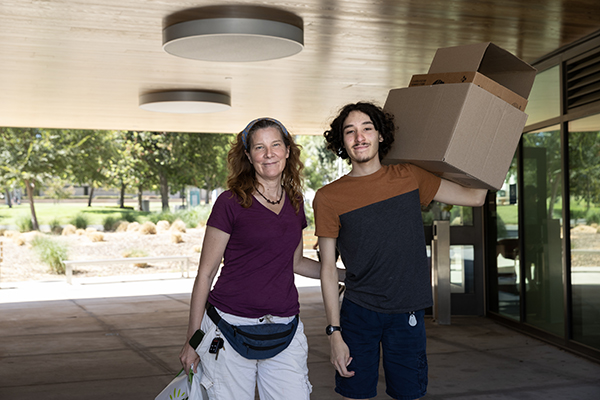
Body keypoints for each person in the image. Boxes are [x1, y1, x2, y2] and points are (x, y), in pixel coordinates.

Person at [313, 102, 488, 400]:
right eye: (350, 131)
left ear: (381, 135)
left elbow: (475, 197)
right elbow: (328, 269)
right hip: (358, 313)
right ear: (342, 141)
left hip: (406, 313)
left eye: (367, 128)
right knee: (355, 394)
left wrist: (486, 142)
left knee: (408, 394)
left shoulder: (409, 177)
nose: (360, 137)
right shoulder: (328, 197)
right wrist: (334, 333)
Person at [179, 117, 332, 400]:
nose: (269, 153)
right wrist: (194, 338)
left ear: (288, 150)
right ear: (249, 156)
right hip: (228, 329)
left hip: (285, 329)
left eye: (275, 145)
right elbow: (206, 273)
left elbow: (296, 262)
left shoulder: (295, 202)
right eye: (259, 148)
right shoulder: (230, 202)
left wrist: (344, 274)